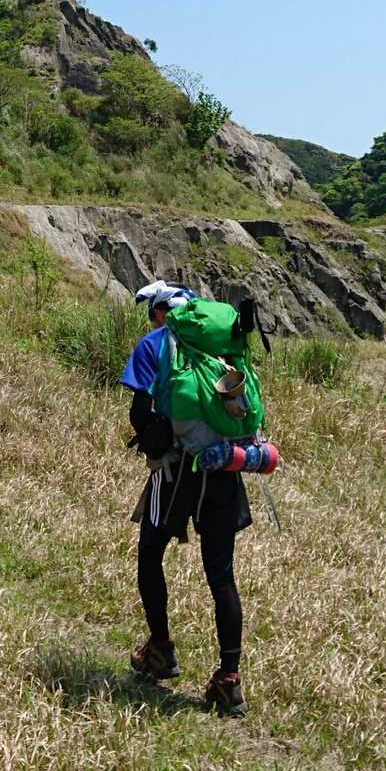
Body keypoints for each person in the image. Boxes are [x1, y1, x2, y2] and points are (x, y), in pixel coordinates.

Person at [120, 280, 253, 717]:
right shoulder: (221, 346)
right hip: (225, 469)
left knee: (149, 553)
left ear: (162, 311)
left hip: (176, 473)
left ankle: (160, 649)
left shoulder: (153, 345)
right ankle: (228, 679)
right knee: (222, 575)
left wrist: (155, 445)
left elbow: (139, 412)